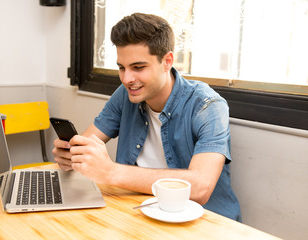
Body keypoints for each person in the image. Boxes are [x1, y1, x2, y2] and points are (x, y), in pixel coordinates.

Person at [53, 13, 241, 221]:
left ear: (167, 61)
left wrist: (111, 172)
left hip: (206, 222)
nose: (127, 79)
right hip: (138, 212)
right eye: (121, 68)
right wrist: (73, 156)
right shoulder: (125, 94)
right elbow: (88, 143)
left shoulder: (208, 106)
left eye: (138, 67)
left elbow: (200, 187)